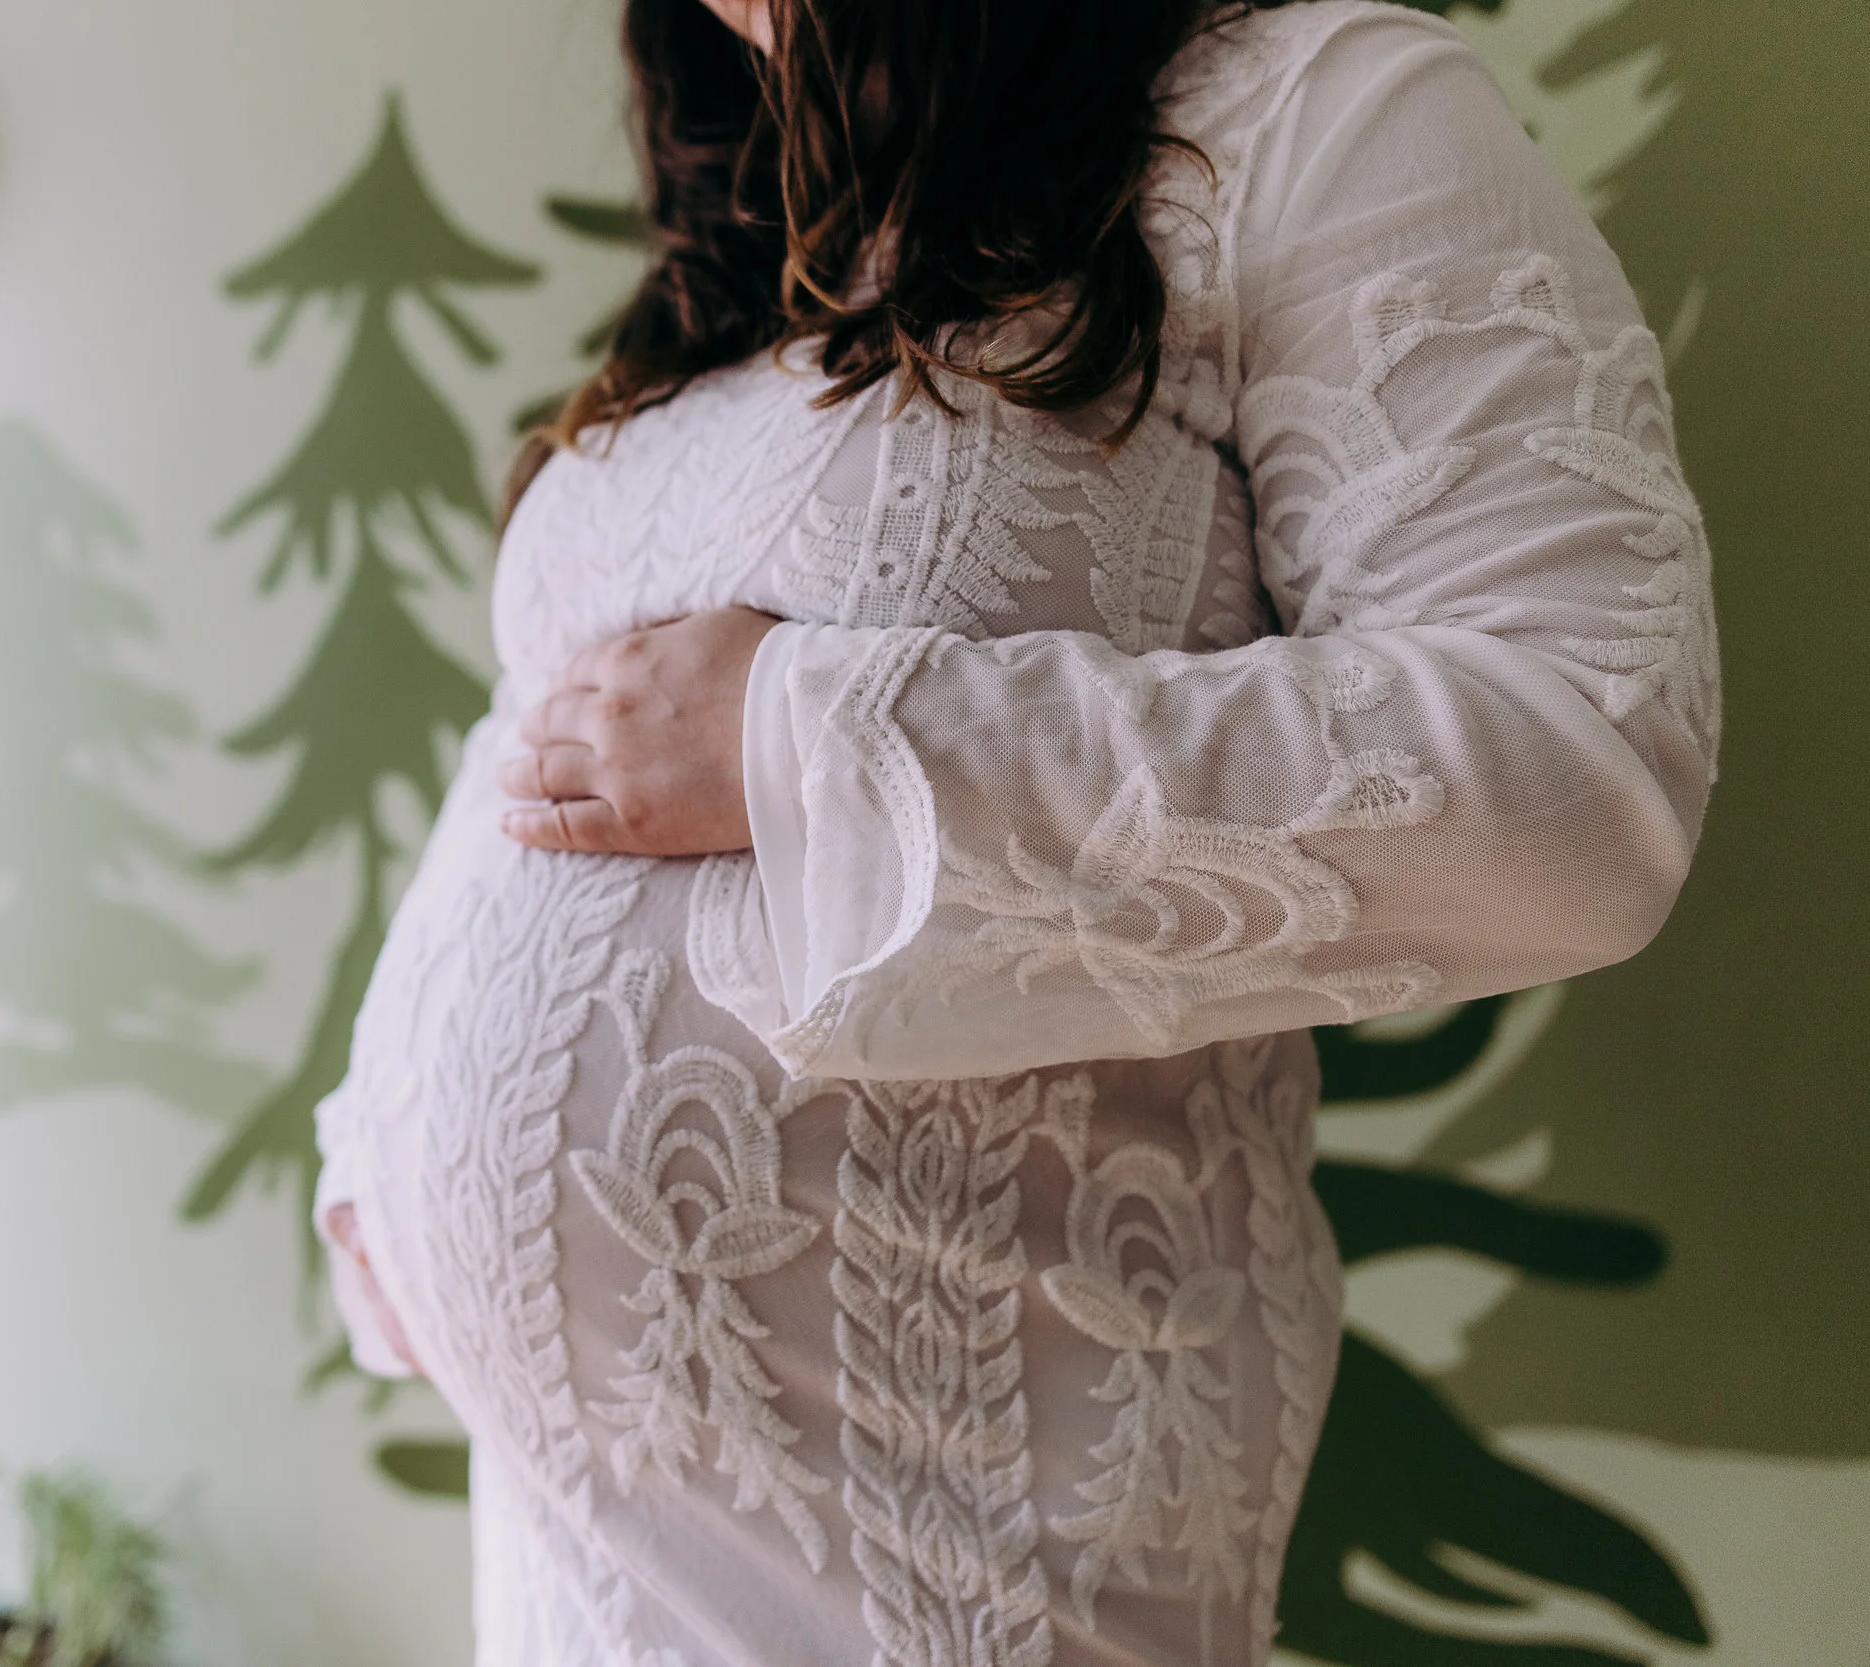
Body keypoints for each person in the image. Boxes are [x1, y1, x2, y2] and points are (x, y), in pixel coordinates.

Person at [315, 1, 1718, 1662]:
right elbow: (558, 755)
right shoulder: (763, 254)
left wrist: (803, 736)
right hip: (588, 1569)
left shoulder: (1309, 118)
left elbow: (1583, 772)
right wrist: (395, 1153)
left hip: (977, 1551)